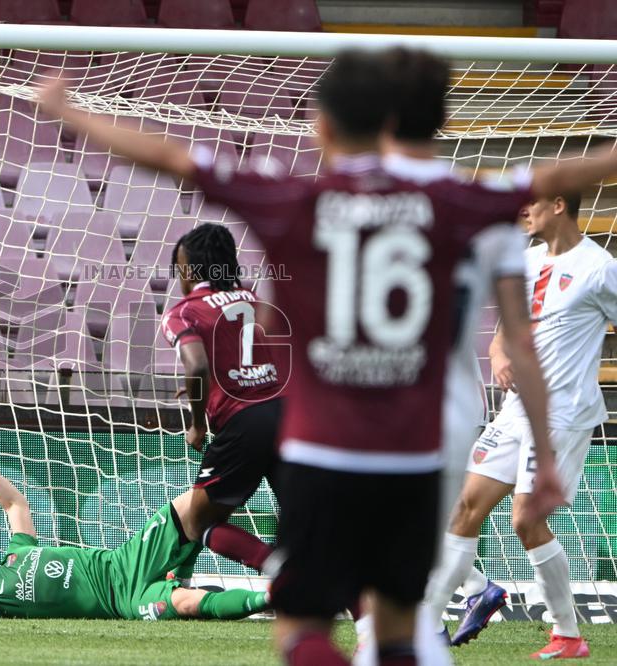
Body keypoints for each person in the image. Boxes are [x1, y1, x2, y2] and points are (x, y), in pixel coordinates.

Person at [36, 43, 617, 663]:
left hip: (322, 447)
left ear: (323, 126)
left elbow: (172, 158)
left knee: (302, 628)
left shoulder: (294, 199)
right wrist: (546, 454)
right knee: (395, 627)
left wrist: (68, 111)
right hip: (412, 451)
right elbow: (565, 179)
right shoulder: (460, 202)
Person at [353, 47, 555, 665]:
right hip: (446, 404)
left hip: (411, 403)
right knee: (422, 526)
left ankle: (416, 627)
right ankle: (453, 605)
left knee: (384, 532)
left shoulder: (367, 209)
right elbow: (511, 336)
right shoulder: (475, 216)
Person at [425, 188, 617, 659]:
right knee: (465, 508)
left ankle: (567, 634)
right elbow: (505, 330)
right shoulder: (526, 261)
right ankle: (424, 623)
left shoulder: (599, 268)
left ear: (559, 205)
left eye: (533, 203)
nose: (524, 210)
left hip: (562, 413)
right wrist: (497, 354)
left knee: (526, 520)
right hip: (516, 409)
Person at [0, 433, 269, 621]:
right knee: (188, 605)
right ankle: (278, 594)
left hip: (126, 561)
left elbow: (14, 503)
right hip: (125, 600)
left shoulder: (18, 551)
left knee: (198, 505)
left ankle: (273, 556)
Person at [159, 223, 286, 572]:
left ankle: (279, 570)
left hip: (245, 423)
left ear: (188, 270)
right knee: (307, 521)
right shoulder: (255, 299)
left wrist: (197, 424)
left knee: (197, 522)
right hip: (289, 416)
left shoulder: (183, 311)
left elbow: (197, 365)